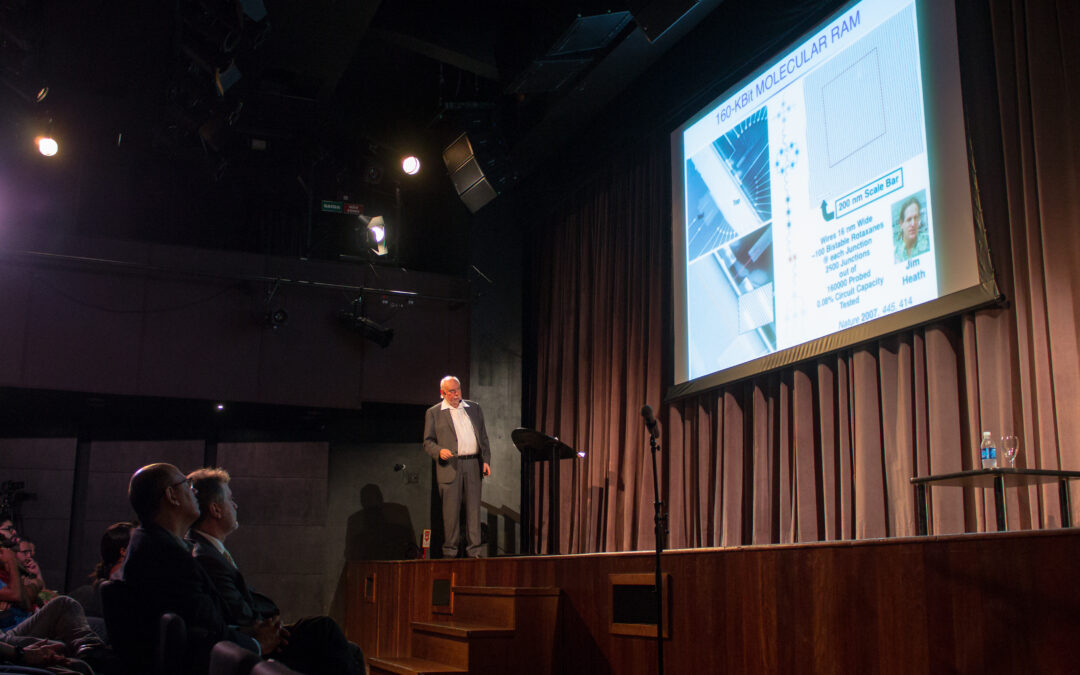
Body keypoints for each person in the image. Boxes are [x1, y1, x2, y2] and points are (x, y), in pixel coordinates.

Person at [186, 467, 363, 675]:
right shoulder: (206, 556)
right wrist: (270, 628)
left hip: (251, 636)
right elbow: (240, 614)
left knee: (351, 650)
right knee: (325, 629)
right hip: (250, 644)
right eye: (230, 499)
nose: (235, 505)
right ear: (216, 510)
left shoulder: (211, 551)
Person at [121, 463, 279, 673]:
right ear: (171, 495)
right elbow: (210, 629)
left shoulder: (151, 544)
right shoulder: (169, 556)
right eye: (187, 485)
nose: (194, 491)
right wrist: (258, 643)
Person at [422, 375, 492, 558]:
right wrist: (439, 451)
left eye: (458, 389)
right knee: (451, 513)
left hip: (473, 464)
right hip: (450, 466)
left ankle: (474, 553)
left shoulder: (474, 408)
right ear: (442, 393)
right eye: (451, 391)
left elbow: (483, 438)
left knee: (473, 511)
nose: (455, 394)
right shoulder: (434, 413)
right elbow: (427, 442)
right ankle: (450, 553)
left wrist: (486, 460)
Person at [894, 195, 929, 261]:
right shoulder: (896, 253)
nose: (913, 223)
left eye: (916, 218)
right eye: (909, 219)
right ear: (901, 224)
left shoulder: (928, 242)